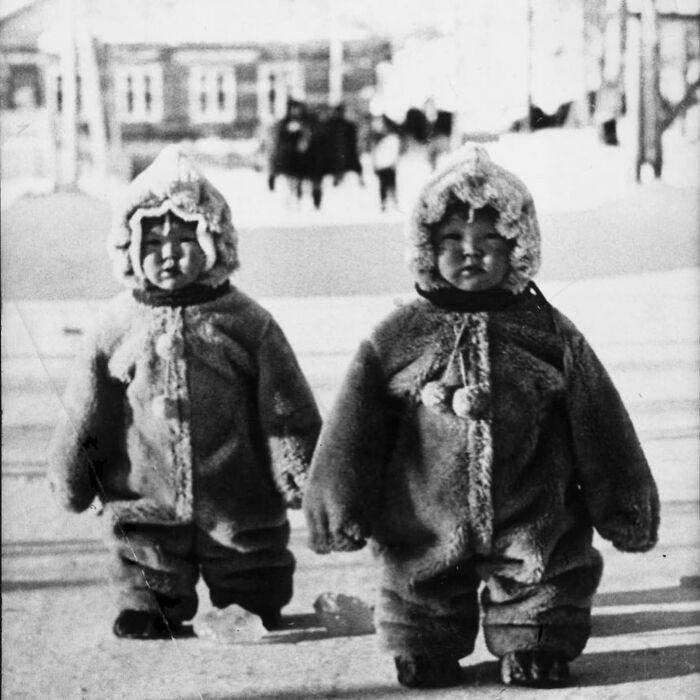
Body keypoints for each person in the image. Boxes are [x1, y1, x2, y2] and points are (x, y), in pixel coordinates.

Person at [303, 145, 659, 689]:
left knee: (546, 569)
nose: (471, 254)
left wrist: (623, 501)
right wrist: (337, 504)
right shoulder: (399, 336)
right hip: (425, 511)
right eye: (452, 241)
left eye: (490, 241)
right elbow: (355, 425)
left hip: (534, 505)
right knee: (418, 573)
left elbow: (601, 420)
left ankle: (534, 642)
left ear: (519, 246)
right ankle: (424, 645)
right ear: (426, 247)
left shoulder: (549, 333)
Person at [48, 145, 322, 639]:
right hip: (143, 487)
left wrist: (300, 470)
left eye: (185, 238)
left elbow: (285, 406)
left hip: (237, 491)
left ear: (215, 241)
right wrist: (73, 471)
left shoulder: (246, 323)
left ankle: (251, 597)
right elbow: (86, 410)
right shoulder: (115, 325)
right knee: (144, 549)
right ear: (128, 250)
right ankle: (150, 605)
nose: (168, 254)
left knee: (249, 554)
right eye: (151, 242)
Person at [370, 115, 401, 211]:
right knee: (383, 187)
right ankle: (384, 205)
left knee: (391, 185)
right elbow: (374, 153)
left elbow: (394, 151)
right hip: (382, 166)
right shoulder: (376, 139)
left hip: (389, 165)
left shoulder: (391, 137)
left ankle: (394, 204)